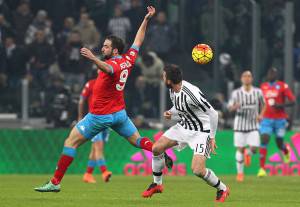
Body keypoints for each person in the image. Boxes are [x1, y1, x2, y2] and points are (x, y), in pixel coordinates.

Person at [34, 6, 172, 193]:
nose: (102, 48)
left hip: (100, 115)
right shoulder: (128, 59)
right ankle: (159, 151)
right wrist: (146, 20)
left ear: (114, 50)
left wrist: (93, 58)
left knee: (70, 142)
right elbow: (138, 40)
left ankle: (55, 182)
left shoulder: (113, 63)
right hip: (119, 114)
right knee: (137, 140)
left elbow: (108, 70)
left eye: (106, 46)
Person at [141, 64, 230, 202]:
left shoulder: (191, 93)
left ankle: (222, 188)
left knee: (197, 170)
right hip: (184, 127)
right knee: (156, 148)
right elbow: (179, 107)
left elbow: (213, 113)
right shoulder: (172, 90)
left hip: (201, 132)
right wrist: (172, 112)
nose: (162, 78)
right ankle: (157, 184)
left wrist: (212, 137)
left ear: (169, 80)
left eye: (164, 76)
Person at [257, 67, 296, 177]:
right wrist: (259, 114)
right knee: (264, 139)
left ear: (276, 75)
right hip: (266, 119)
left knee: (279, 142)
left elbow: (293, 101)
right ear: (267, 75)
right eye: (270, 73)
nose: (271, 74)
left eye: (273, 73)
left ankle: (285, 150)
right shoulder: (263, 87)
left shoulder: (283, 86)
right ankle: (262, 169)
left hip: (280, 119)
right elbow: (259, 102)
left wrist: (280, 106)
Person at [228, 71, 265, 182]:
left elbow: (264, 104)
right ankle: (240, 174)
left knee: (254, 148)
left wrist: (261, 115)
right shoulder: (236, 93)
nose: (247, 78)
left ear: (252, 78)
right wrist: (235, 106)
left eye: (249, 76)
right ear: (241, 79)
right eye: (245, 76)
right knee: (240, 149)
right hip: (239, 126)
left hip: (253, 125)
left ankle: (248, 154)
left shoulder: (258, 92)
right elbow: (230, 108)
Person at [79, 72, 112, 183]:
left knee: (95, 149)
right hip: (95, 120)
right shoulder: (91, 84)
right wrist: (80, 117)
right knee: (99, 147)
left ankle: (88, 174)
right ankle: (104, 172)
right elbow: (81, 100)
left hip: (107, 120)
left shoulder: (109, 84)